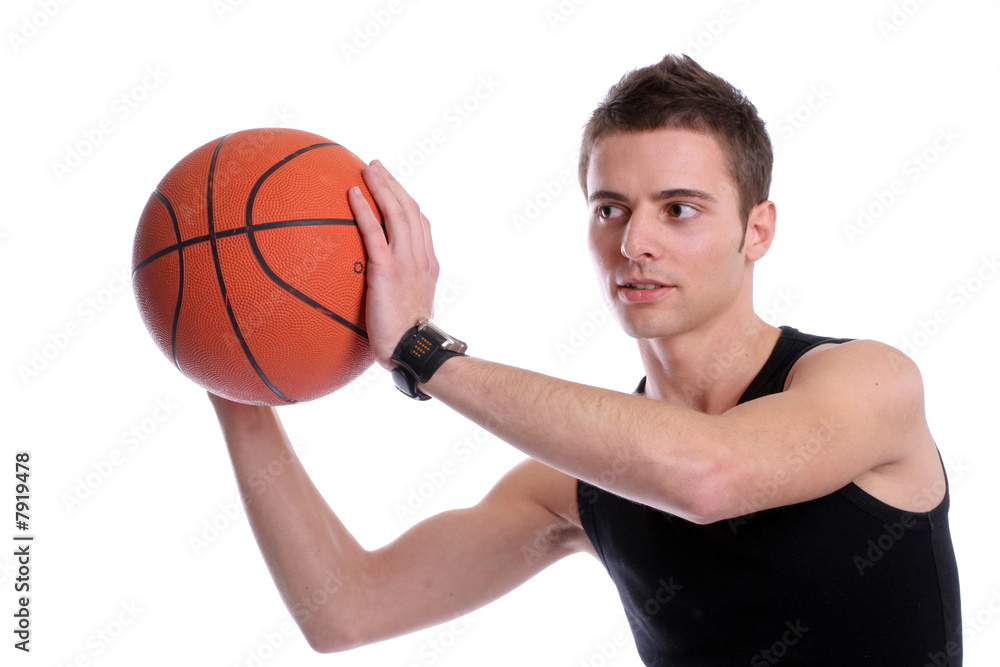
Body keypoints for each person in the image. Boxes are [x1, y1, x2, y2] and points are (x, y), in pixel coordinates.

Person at [208, 54, 962, 665]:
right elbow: (346, 608)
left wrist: (420, 349)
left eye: (680, 208)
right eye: (611, 209)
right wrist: (228, 366)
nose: (636, 243)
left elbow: (708, 475)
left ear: (757, 230)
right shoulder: (579, 487)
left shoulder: (867, 382)